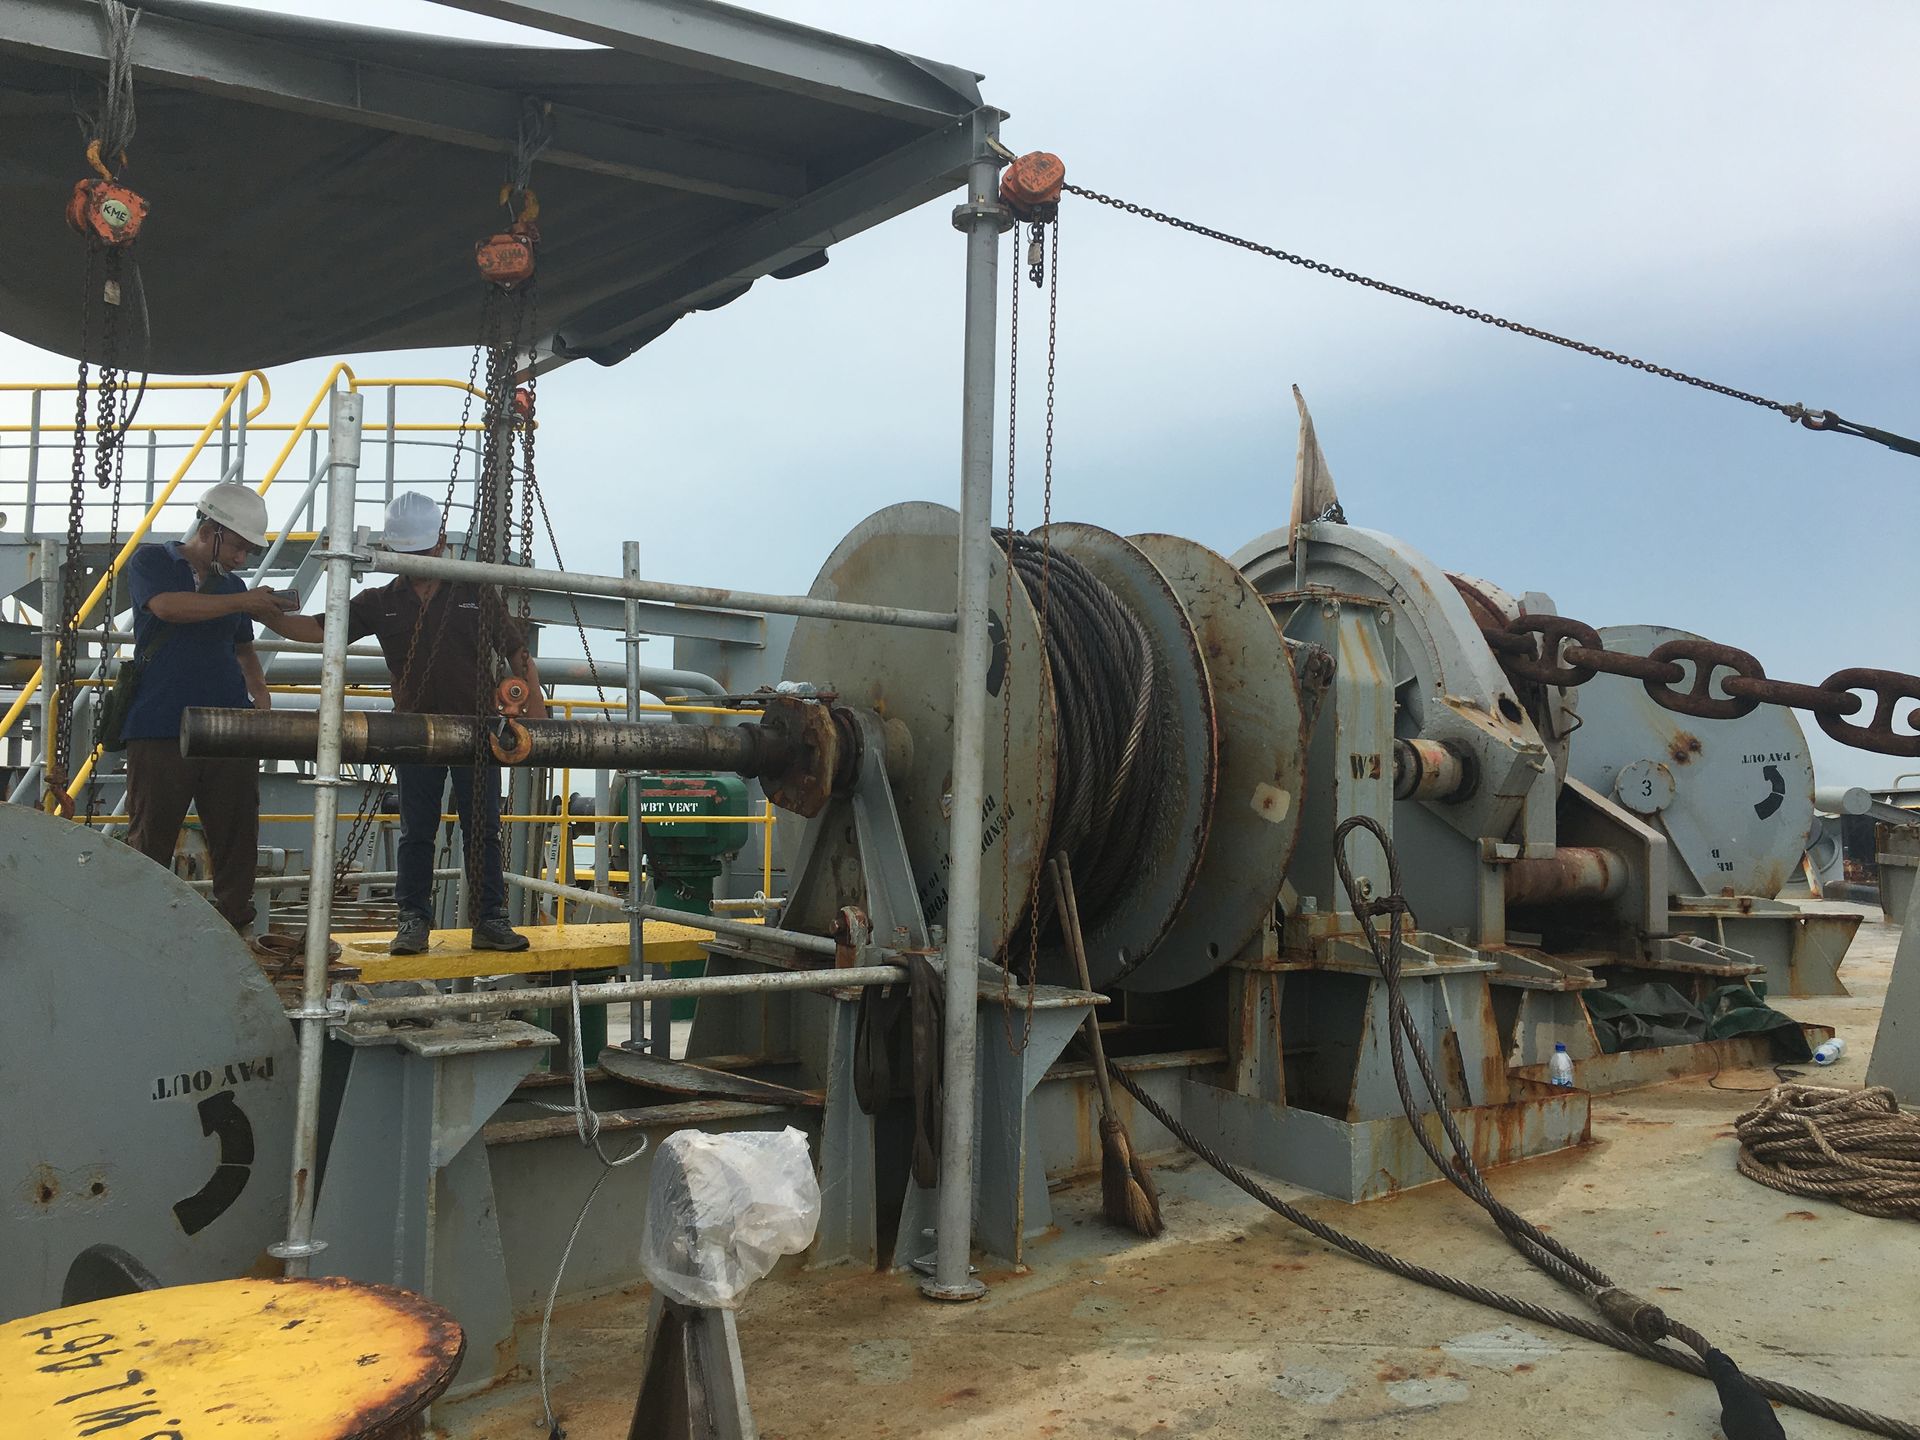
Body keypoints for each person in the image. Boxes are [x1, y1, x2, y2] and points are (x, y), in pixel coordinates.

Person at [277, 491, 544, 955]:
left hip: (476, 730)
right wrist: (265, 613)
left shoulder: (474, 590)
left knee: (482, 827)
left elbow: (517, 654)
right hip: (413, 733)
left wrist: (538, 723)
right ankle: (413, 921)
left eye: (423, 553)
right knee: (416, 829)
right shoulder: (381, 601)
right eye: (408, 555)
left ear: (440, 543)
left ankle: (490, 920)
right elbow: (322, 629)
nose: (418, 562)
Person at [122, 481, 300, 935]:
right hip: (162, 725)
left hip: (228, 727)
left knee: (237, 837)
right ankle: (142, 932)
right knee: (151, 838)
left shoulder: (232, 586)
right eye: (239, 547)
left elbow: (244, 650)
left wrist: (260, 695)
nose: (242, 559)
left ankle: (236, 932)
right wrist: (246, 600)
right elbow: (166, 608)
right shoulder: (153, 562)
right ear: (211, 529)